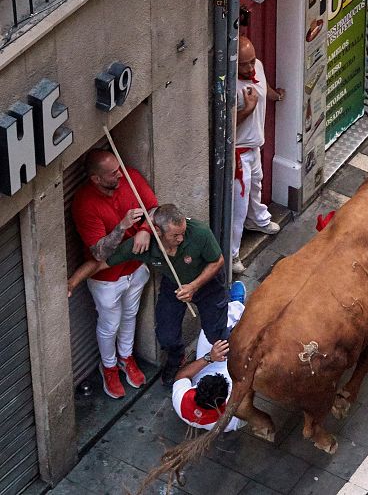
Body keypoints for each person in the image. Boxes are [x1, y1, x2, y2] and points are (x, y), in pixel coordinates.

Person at [68, 204, 231, 387]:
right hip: (174, 284)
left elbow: (218, 261)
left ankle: (230, 362)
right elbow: (102, 263)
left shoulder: (200, 232)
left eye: (182, 233)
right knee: (166, 335)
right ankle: (177, 357)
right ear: (157, 231)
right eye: (175, 235)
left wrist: (193, 286)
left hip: (207, 284)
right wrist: (73, 281)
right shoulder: (144, 245)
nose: (181, 238)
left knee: (216, 335)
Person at [71, 149, 158, 399]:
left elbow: (153, 207)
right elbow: (99, 252)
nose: (120, 174)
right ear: (96, 179)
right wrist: (123, 225)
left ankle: (126, 358)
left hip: (136, 267)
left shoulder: (130, 177)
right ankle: (108, 367)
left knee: (130, 315)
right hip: (106, 279)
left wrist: (144, 230)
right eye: (112, 173)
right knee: (109, 325)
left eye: (118, 168)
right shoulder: (84, 203)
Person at [231, 35, 285, 274]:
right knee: (238, 207)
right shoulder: (232, 87)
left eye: (252, 61)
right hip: (238, 154)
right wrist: (248, 109)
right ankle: (232, 254)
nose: (251, 67)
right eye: (245, 63)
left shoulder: (258, 67)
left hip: (254, 148)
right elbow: (225, 126)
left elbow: (263, 87)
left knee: (256, 189)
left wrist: (275, 96)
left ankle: (259, 220)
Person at [172, 281, 248, 432]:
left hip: (210, 363)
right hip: (236, 374)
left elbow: (181, 375)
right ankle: (242, 310)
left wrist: (210, 357)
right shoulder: (231, 422)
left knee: (211, 332)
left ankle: (234, 305)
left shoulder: (181, 400)